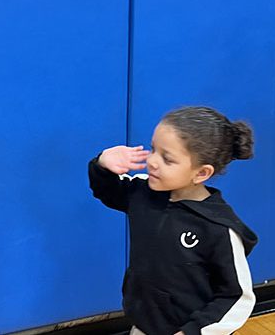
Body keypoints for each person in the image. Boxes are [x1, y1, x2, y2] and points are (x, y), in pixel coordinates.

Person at [89, 106, 257, 335]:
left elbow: (236, 297)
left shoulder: (218, 228)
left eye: (167, 159)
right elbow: (107, 192)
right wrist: (102, 165)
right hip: (145, 325)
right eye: (153, 149)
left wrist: (193, 331)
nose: (153, 162)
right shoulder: (143, 192)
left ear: (201, 173)